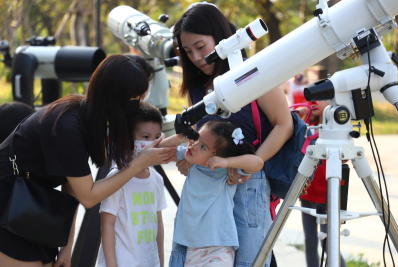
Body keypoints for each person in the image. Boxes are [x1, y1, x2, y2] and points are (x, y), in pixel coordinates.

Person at [0, 55, 176, 267]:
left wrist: (66, 246)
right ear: (115, 96)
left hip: (33, 203)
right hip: (9, 200)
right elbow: (88, 196)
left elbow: (72, 189)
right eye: (135, 99)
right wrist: (138, 164)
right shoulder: (68, 126)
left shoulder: (90, 118)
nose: (137, 106)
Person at [171, 3, 294, 266]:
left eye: (200, 47)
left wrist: (250, 165)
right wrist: (188, 156)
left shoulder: (253, 73)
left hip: (248, 184)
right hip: (208, 187)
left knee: (250, 259)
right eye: (187, 50)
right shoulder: (197, 86)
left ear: (220, 36)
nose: (194, 57)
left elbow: (284, 125)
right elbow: (199, 134)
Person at [163, 120, 264, 267]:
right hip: (187, 248)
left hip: (217, 248)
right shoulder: (192, 161)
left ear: (216, 156)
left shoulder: (224, 171)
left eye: (203, 147)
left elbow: (257, 162)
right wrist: (181, 137)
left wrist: (227, 162)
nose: (194, 146)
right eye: (196, 138)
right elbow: (159, 150)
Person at [97, 102, 167, 267]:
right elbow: (107, 225)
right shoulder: (116, 179)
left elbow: (159, 224)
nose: (152, 143)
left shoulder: (156, 180)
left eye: (157, 137)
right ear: (128, 138)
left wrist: (160, 262)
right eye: (145, 137)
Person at [297, 100, 347, 267]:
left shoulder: (338, 126)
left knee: (329, 243)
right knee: (310, 242)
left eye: (319, 98)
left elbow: (346, 155)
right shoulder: (307, 125)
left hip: (328, 196)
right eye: (311, 100)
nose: (313, 102)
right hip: (307, 193)